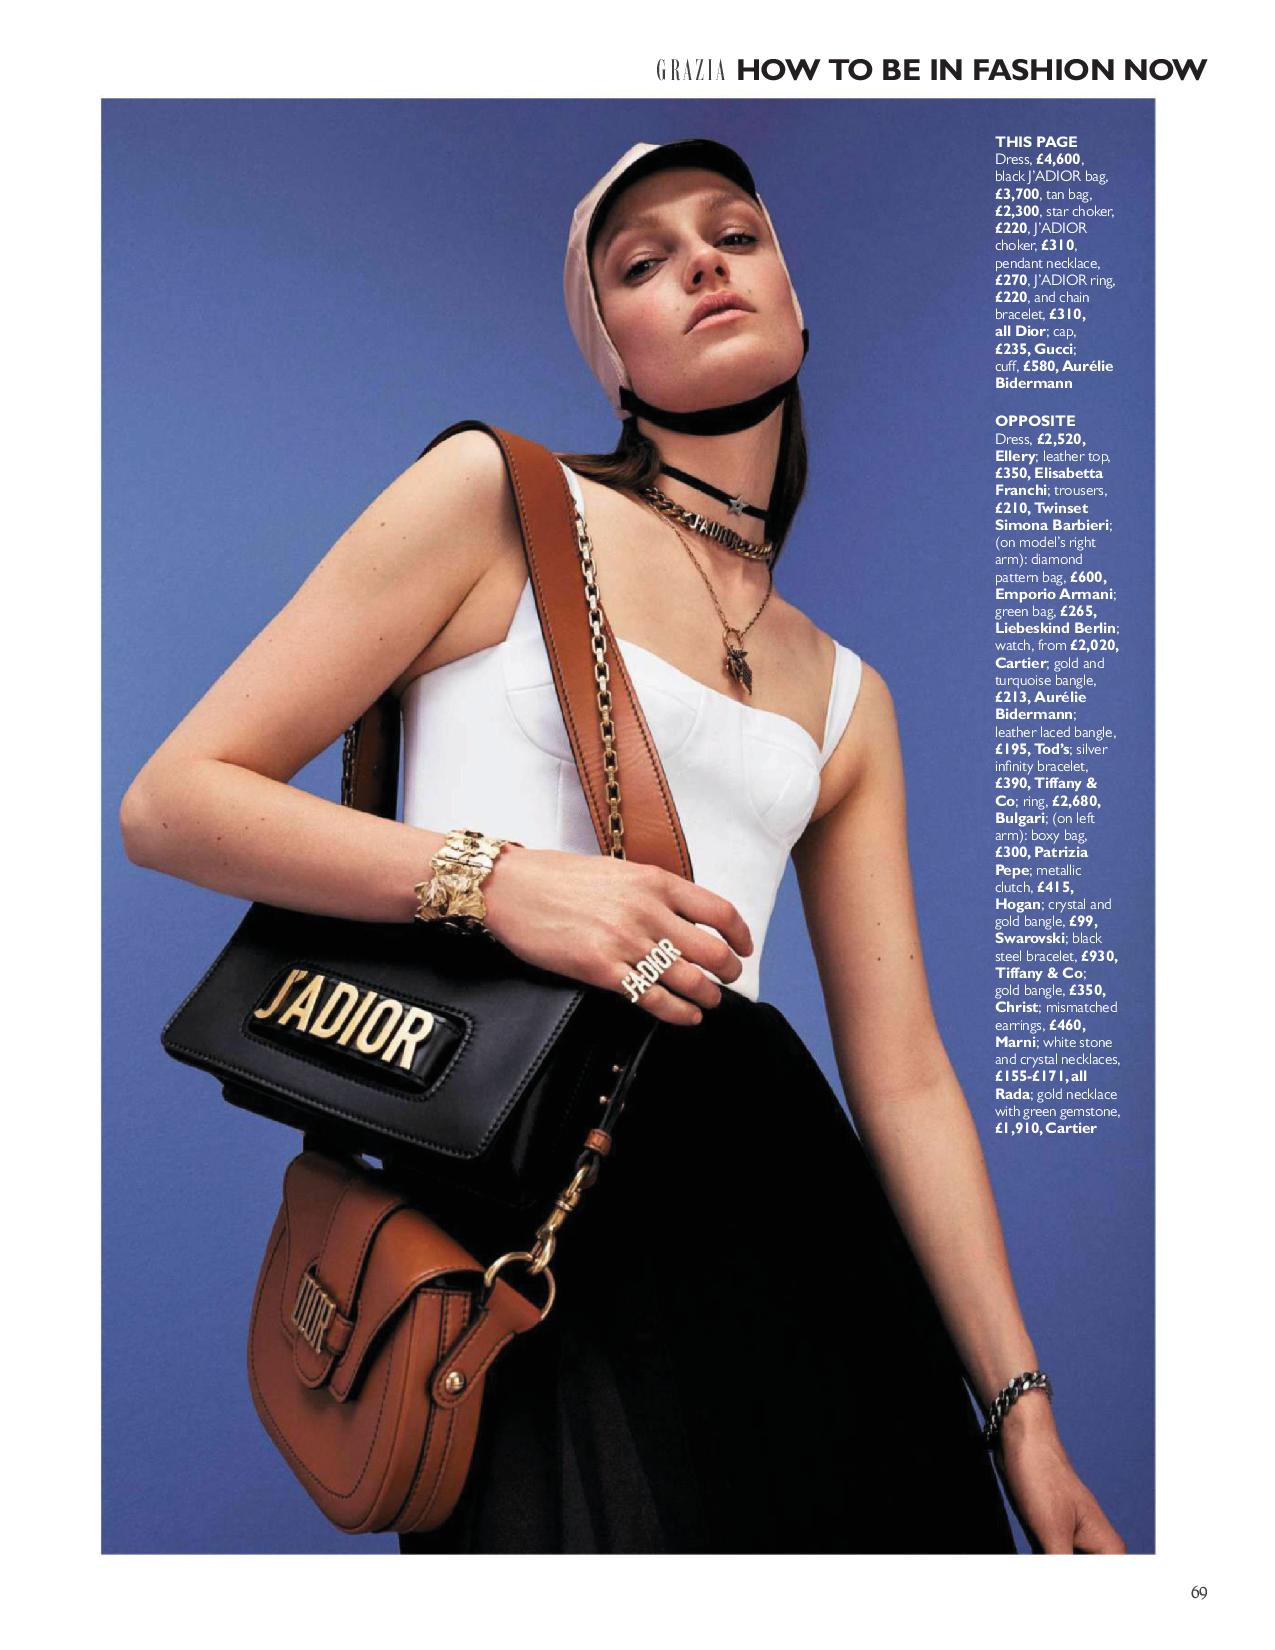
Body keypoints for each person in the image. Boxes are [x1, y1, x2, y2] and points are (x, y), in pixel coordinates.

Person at [119, 138, 1126, 1556]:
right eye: (644, 262)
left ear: (796, 307)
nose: (703, 261)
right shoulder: (495, 500)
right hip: (536, 1208)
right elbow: (173, 801)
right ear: (614, 359)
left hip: (794, 1222)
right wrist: (500, 882)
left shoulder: (852, 696)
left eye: (737, 235)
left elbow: (903, 1076)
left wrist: (1023, 1415)